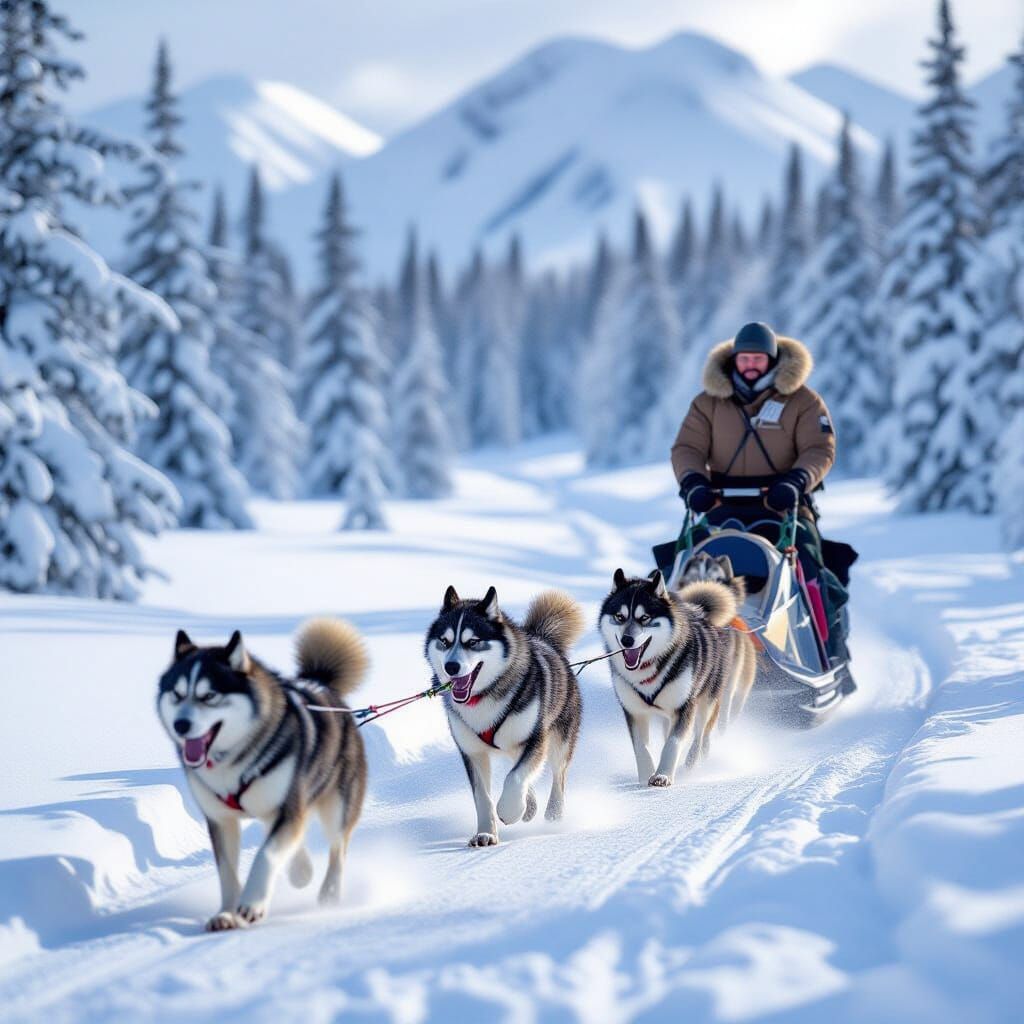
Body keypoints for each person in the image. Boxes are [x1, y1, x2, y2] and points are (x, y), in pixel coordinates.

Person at [670, 321, 852, 661]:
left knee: (810, 567)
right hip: (720, 506)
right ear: (733, 360)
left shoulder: (802, 400)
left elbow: (820, 448)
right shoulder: (707, 404)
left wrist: (796, 480)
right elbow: (686, 449)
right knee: (682, 565)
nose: (750, 365)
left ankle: (824, 653)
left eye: (758, 359)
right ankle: (678, 654)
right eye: (744, 359)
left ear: (772, 360)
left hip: (785, 507)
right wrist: (693, 482)